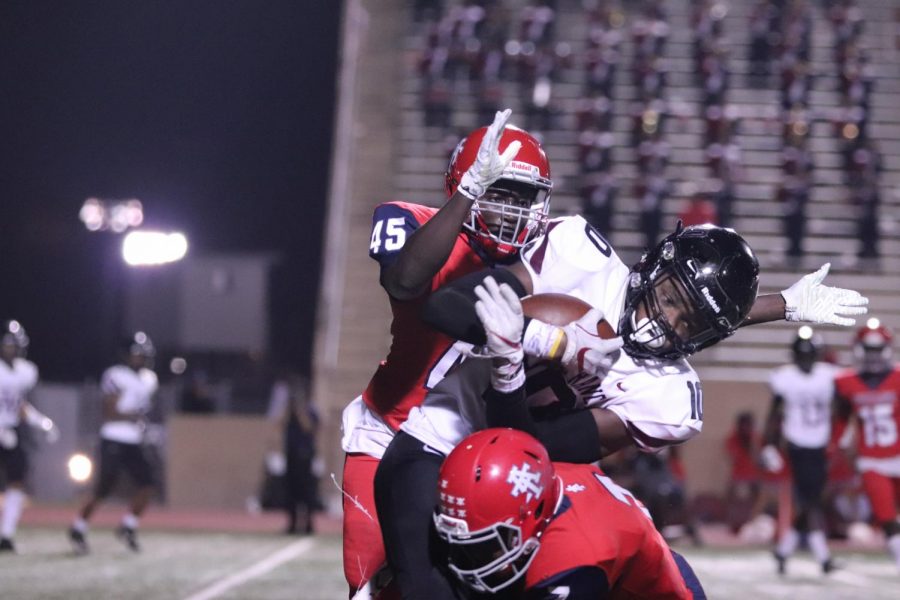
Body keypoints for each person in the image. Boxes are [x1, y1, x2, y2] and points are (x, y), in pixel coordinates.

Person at [375, 224, 868, 598]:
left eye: (689, 321)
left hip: (525, 486)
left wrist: (510, 368)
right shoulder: (580, 258)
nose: (668, 322)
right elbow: (442, 307)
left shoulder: (670, 398)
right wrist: (530, 337)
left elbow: (535, 450)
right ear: (654, 266)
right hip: (440, 446)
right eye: (671, 298)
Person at [340, 108, 553, 597]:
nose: (516, 210)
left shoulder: (544, 259)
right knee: (374, 587)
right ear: (468, 183)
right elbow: (404, 279)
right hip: (390, 432)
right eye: (502, 192)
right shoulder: (411, 224)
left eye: (526, 197)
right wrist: (470, 194)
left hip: (477, 449)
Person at [433, 427, 706, 598]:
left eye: (489, 547)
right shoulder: (544, 479)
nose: (471, 562)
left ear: (536, 512)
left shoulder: (574, 561)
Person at [68, 331, 159, 554]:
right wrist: (134, 418)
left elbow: (143, 411)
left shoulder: (150, 379)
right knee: (103, 489)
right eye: (136, 354)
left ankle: (128, 526)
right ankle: (78, 527)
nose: (140, 358)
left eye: (143, 355)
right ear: (126, 356)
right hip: (113, 437)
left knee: (148, 485)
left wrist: (145, 426)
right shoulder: (115, 375)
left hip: (134, 440)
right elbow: (108, 412)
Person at [764, 326, 839, 574]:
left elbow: (845, 404)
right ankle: (824, 557)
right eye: (802, 355)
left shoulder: (829, 375)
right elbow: (774, 414)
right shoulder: (786, 377)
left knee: (811, 500)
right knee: (812, 500)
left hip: (821, 445)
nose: (806, 359)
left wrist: (842, 434)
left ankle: (783, 551)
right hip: (797, 443)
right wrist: (769, 443)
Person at [833, 318, 900, 572]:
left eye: (876, 349)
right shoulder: (846, 381)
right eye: (868, 349)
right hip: (872, 460)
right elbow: (840, 420)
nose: (872, 356)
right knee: (886, 517)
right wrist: (838, 446)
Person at [0, 320, 59, 553]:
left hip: (13, 430)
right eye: (7, 344)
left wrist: (40, 421)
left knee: (18, 481)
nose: (11, 349)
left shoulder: (26, 371)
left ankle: (6, 534)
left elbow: (19, 405)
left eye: (14, 345)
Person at [267, 373, 321, 535]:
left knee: (307, 492)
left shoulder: (310, 409)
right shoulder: (288, 411)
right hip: (291, 455)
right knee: (291, 491)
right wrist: (287, 408)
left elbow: (309, 427)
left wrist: (300, 410)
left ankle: (309, 524)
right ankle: (292, 523)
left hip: (305, 456)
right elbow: (278, 424)